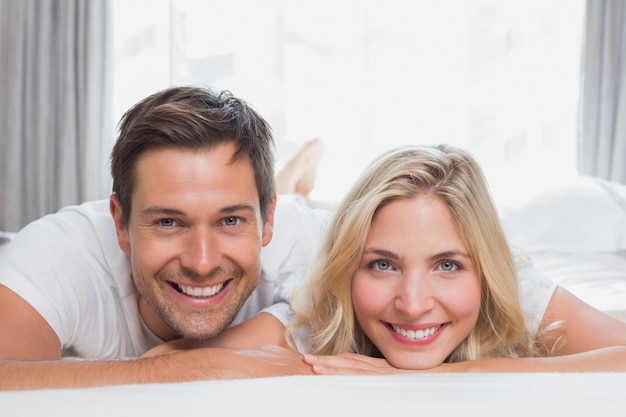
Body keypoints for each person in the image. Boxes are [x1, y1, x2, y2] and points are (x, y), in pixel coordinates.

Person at [151, 144, 626, 372]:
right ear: (348, 270)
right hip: (316, 233)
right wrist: (316, 367)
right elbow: (164, 361)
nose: (414, 304)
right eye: (382, 265)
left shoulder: (518, 290)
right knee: (304, 212)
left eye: (447, 265)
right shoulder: (317, 308)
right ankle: (295, 189)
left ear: (483, 272)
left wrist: (456, 374)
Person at [0, 85, 325, 390]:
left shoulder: (312, 242)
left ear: (268, 220)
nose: (202, 263)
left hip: (288, 213)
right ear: (120, 223)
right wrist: (188, 367)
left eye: (229, 220)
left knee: (293, 196)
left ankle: (293, 179)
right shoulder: (60, 250)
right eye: (168, 222)